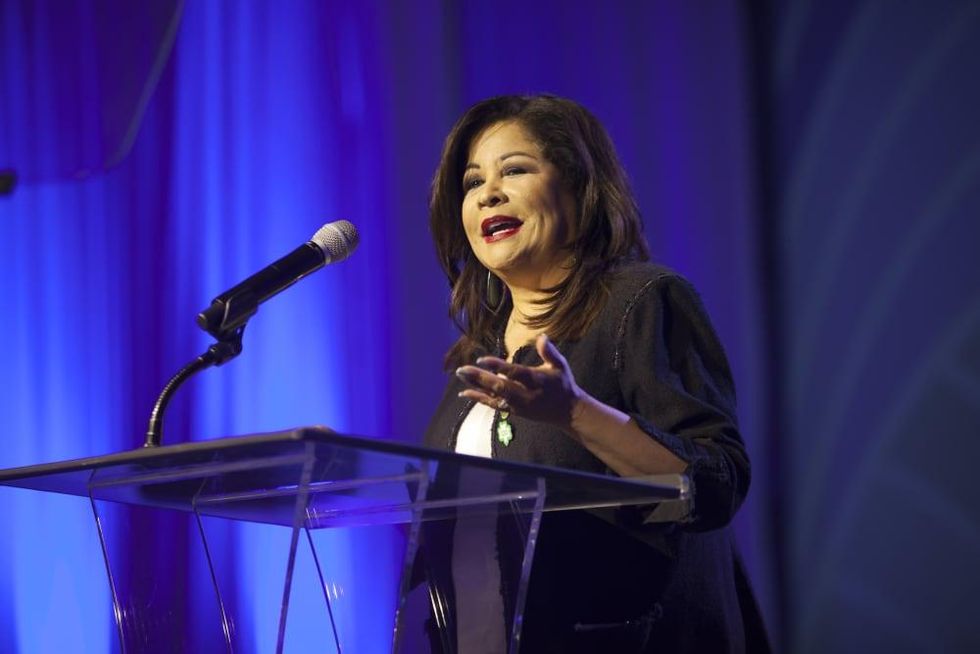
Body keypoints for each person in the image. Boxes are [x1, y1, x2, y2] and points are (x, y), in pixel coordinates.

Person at [422, 94, 769, 653]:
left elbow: (715, 484)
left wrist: (574, 412)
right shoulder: (476, 354)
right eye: (473, 181)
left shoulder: (639, 304)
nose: (488, 193)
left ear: (579, 187)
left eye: (515, 170)